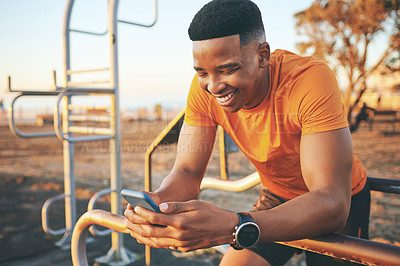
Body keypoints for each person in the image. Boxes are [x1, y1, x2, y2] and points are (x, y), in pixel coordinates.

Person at [124, 0, 370, 265]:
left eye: (227, 69)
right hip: (278, 196)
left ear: (263, 55)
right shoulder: (203, 90)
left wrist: (234, 224)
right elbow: (186, 172)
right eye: (202, 72)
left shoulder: (309, 79)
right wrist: (159, 205)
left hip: (337, 201)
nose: (214, 86)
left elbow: (331, 201)